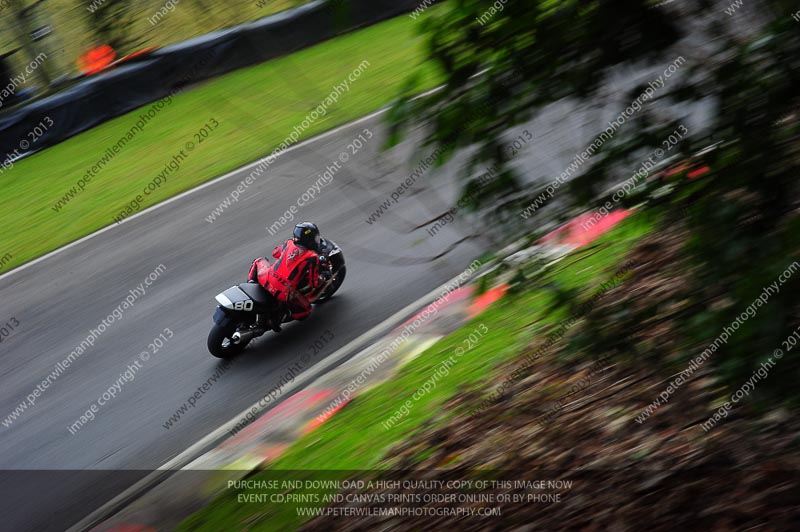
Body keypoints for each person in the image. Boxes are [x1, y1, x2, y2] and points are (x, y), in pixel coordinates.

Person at [252, 222, 331, 331]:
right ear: (309, 239)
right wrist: (323, 276)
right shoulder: (312, 257)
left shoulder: (288, 243)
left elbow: (275, 253)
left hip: (265, 278)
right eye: (315, 238)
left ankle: (251, 283)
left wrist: (286, 254)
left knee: (258, 261)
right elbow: (314, 283)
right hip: (284, 292)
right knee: (306, 311)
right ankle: (276, 320)